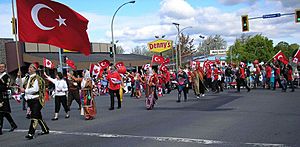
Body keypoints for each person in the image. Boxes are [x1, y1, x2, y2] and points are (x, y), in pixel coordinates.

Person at [17, 62, 49, 139]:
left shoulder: (37, 78)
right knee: (38, 116)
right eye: (29, 67)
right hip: (29, 100)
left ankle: (31, 133)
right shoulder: (27, 77)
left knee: (34, 116)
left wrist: (25, 90)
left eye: (31, 67)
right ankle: (45, 129)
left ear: (35, 69)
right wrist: (18, 76)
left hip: (36, 100)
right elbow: (18, 82)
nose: (29, 68)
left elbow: (35, 89)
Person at [0, 63, 17, 135]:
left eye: (2, 67)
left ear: (5, 68)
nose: (0, 68)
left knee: (1, 112)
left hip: (3, 96)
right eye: (0, 67)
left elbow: (6, 87)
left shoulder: (7, 77)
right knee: (5, 112)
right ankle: (13, 124)